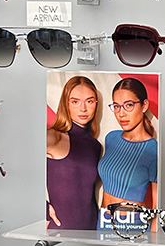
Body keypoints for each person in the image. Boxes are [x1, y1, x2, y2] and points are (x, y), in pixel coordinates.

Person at [46, 76, 102, 230]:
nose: (83, 109)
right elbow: (17, 161)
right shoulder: (54, 136)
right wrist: (42, 208)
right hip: (60, 229)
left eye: (89, 101)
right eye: (75, 102)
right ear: (66, 104)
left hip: (91, 228)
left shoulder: (95, 146)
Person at [98, 77, 158, 221]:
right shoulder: (111, 138)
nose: (121, 113)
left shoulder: (153, 150)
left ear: (144, 106)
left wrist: (154, 239)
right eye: (116, 106)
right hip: (104, 220)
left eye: (129, 105)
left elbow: (157, 207)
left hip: (132, 226)